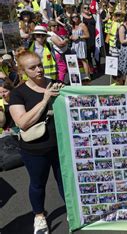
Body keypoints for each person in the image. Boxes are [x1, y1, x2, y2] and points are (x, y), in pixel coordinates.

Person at [9, 48, 65, 234]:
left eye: (39, 65)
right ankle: (39, 216)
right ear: (23, 72)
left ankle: (72, 212)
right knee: (38, 183)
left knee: (65, 181)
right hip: (34, 149)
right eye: (32, 68)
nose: (39, 70)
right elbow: (23, 122)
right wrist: (45, 100)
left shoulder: (56, 83)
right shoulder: (18, 93)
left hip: (61, 146)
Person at [70, 13, 91, 81]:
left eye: (76, 16)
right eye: (73, 17)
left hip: (81, 43)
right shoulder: (72, 26)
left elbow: (88, 35)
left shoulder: (82, 25)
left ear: (78, 17)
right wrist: (71, 37)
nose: (75, 18)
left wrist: (78, 37)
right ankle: (75, 76)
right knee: (73, 60)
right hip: (74, 44)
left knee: (83, 60)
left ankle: (87, 76)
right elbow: (72, 35)